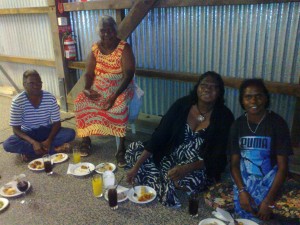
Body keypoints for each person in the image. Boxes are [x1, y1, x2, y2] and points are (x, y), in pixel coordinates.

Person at [125, 71, 234, 207]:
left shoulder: (225, 116)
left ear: (219, 92)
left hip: (199, 163)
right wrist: (136, 167)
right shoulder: (182, 105)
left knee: (184, 181)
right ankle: (163, 177)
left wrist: (186, 168)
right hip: (171, 153)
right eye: (204, 85)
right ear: (197, 87)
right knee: (133, 149)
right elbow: (160, 135)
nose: (207, 89)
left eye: (213, 87)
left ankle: (161, 178)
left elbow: (218, 156)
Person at [228, 79, 293, 222]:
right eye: (248, 97)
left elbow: (283, 168)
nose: (254, 101)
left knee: (278, 214)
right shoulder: (237, 125)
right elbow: (234, 164)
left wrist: (268, 200)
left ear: (266, 98)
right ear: (242, 100)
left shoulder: (277, 123)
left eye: (259, 96)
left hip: (269, 181)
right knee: (242, 212)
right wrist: (242, 191)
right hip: (245, 181)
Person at [74, 15, 135, 167]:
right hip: (98, 87)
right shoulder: (95, 48)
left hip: (120, 87)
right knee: (80, 101)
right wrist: (87, 89)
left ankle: (121, 148)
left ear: (115, 31)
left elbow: (128, 74)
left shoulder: (124, 48)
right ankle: (86, 140)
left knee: (119, 107)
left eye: (110, 30)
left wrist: (114, 97)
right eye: (103, 31)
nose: (106, 34)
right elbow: (88, 73)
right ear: (98, 32)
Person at [3, 70, 76, 162]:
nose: (36, 85)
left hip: (46, 131)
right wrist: (33, 142)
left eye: (39, 82)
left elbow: (57, 123)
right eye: (31, 83)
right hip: (28, 134)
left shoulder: (50, 98)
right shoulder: (17, 101)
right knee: (8, 144)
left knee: (70, 133)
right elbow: (16, 130)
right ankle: (55, 149)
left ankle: (31, 152)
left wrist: (49, 140)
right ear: (24, 84)